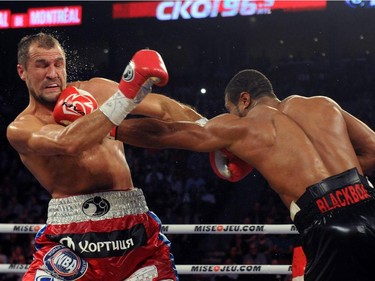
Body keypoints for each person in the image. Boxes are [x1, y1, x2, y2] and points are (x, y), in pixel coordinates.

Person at [114, 69, 375, 281]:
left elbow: (165, 133)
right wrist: (344, 189)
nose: (231, 116)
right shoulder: (323, 104)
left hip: (328, 226)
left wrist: (108, 126)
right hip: (368, 203)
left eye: (231, 110)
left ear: (244, 100)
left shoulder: (242, 127)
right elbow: (372, 150)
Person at [6, 32, 205, 281]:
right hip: (70, 244)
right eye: (42, 65)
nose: (52, 74)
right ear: (22, 71)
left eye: (59, 64)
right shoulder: (21, 128)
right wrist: (125, 96)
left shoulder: (95, 90)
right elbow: (68, 142)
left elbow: (164, 109)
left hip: (135, 236)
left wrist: (214, 136)